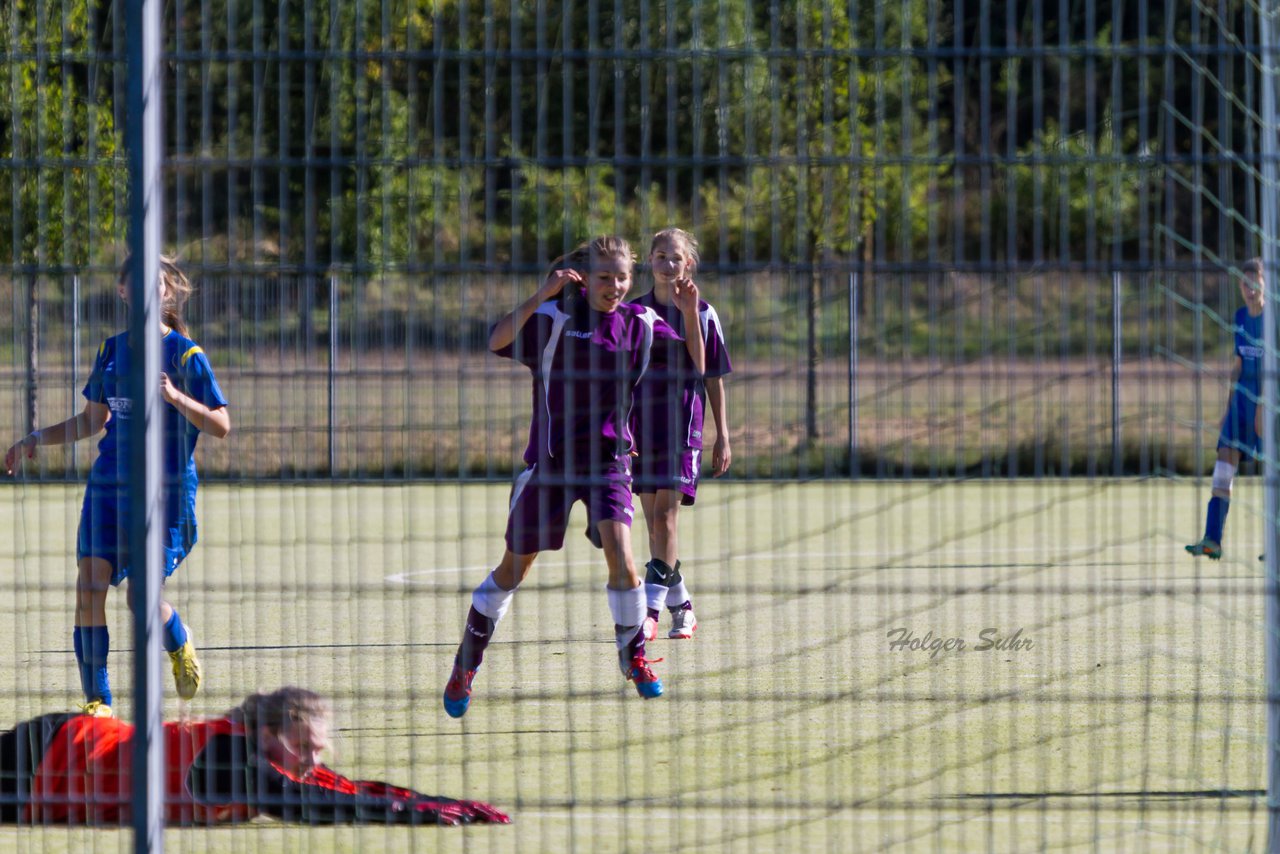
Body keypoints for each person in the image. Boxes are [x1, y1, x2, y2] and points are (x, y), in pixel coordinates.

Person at [442, 236, 706, 718]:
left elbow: (694, 368)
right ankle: (466, 665)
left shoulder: (642, 324)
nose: (616, 286)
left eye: (622, 277)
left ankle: (634, 658)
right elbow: (497, 339)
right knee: (510, 572)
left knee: (624, 560)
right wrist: (542, 293)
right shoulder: (555, 320)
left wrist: (688, 313)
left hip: (610, 465)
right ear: (586, 279)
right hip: (550, 466)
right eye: (605, 277)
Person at [3, 256, 231, 717]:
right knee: (88, 588)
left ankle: (178, 640)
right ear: (123, 292)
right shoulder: (111, 350)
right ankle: (98, 703)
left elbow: (221, 425)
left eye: (157, 284)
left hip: (163, 494)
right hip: (107, 487)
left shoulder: (186, 355)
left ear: (167, 293)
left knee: (141, 597)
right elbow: (91, 421)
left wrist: (174, 397)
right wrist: (36, 438)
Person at [0, 686, 510, 825]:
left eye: (317, 749)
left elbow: (346, 788)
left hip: (63, 764)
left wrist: (438, 802)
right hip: (50, 759)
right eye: (305, 747)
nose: (313, 761)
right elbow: (311, 807)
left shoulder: (267, 758)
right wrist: (412, 817)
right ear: (268, 733)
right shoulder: (231, 761)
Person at [631, 228, 733, 641]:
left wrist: (722, 434)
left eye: (675, 258)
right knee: (655, 527)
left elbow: (709, 374)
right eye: (660, 256)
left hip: (682, 430)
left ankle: (650, 611)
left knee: (665, 518)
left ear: (687, 263)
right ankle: (684, 607)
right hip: (641, 431)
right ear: (649, 262)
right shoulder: (633, 312)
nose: (668, 264)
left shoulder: (704, 312)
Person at [1186, 258, 1265, 560]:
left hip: (1268, 404)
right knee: (1223, 465)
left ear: (1265, 283)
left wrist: (1262, 408)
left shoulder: (1273, 319)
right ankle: (1213, 539)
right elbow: (1238, 364)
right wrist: (1229, 406)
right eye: (1245, 283)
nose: (1249, 288)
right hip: (1240, 406)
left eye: (1255, 282)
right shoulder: (1240, 317)